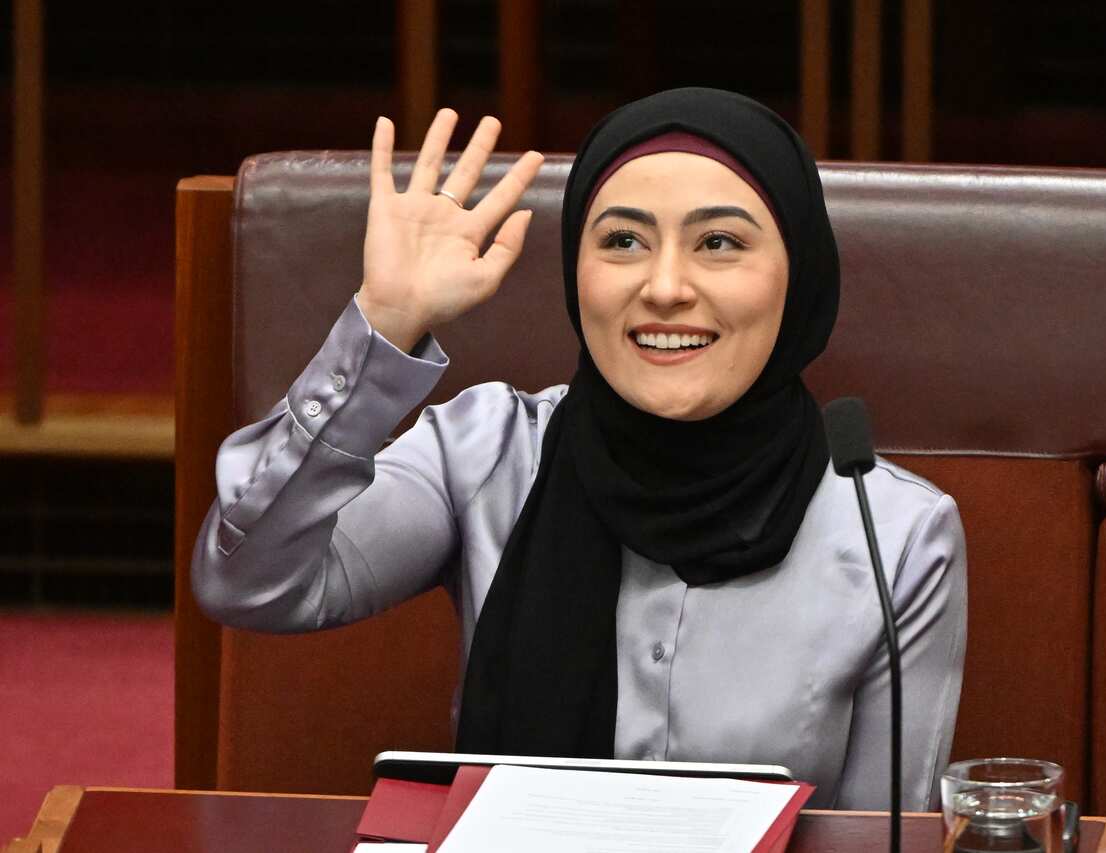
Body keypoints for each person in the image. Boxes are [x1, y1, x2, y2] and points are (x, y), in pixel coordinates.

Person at [193, 87, 967, 810]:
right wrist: (381, 329)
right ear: (576, 274)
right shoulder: (489, 451)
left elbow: (884, 835)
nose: (665, 286)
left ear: (799, 278)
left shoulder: (892, 532)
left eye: (720, 242)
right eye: (623, 240)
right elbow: (249, 581)